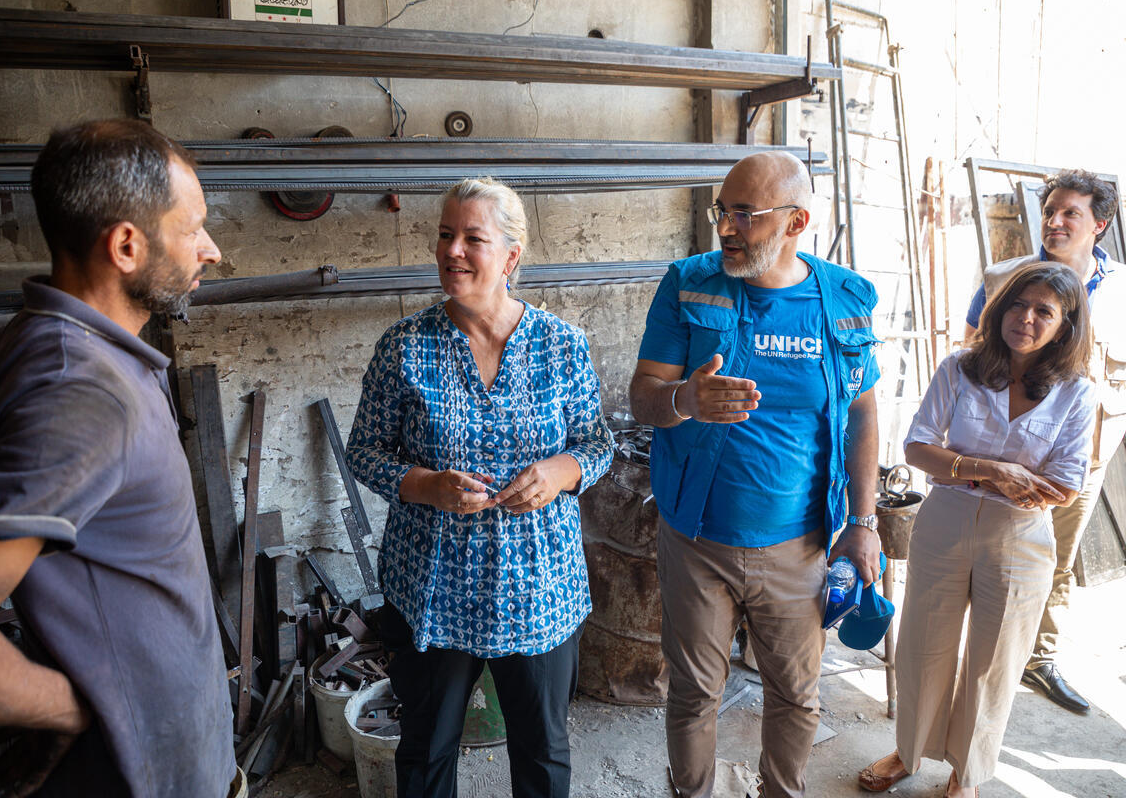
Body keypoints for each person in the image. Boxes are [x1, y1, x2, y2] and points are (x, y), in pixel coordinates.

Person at [0, 120, 240, 797]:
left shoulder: (54, 333)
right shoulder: (86, 390)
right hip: (140, 777)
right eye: (193, 230)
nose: (210, 251)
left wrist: (61, 595)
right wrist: (71, 707)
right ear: (127, 245)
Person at [345, 177, 612, 798]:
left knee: (543, 753)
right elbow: (364, 452)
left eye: (472, 238)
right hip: (433, 591)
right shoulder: (405, 347)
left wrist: (561, 471)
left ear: (511, 258)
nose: (452, 251)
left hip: (539, 589)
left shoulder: (561, 347)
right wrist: (424, 484)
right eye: (445, 235)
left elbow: (599, 445)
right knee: (425, 751)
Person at [628, 151, 882, 798]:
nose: (727, 227)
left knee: (797, 698)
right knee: (693, 695)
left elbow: (862, 410)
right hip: (696, 543)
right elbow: (644, 397)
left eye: (746, 213)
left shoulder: (844, 301)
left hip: (800, 547)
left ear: (797, 221)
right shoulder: (688, 285)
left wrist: (863, 522)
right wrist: (685, 400)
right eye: (724, 210)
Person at [860, 263, 1096, 797]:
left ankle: (967, 773)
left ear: (1065, 325)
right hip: (944, 520)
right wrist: (995, 471)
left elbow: (1064, 484)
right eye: (1018, 304)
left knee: (996, 658)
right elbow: (918, 448)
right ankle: (909, 750)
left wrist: (961, 464)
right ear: (999, 308)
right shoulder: (960, 368)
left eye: (1044, 312)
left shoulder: (1077, 393)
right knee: (924, 642)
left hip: (1020, 536)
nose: (1026, 319)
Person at [962, 169, 1123, 713]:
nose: (1054, 221)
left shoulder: (1122, 291)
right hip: (1005, 453)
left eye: (1069, 213)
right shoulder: (1004, 278)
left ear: (1099, 225)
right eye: (1050, 210)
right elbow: (970, 357)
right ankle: (974, 654)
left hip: (1084, 456)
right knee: (982, 553)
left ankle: (1038, 658)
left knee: (1054, 558)